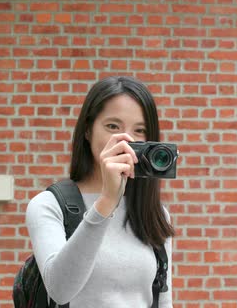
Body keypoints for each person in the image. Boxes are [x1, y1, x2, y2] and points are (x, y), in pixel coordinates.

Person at [26, 76, 175, 307]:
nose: (126, 140)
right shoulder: (49, 205)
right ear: (87, 130)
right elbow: (60, 290)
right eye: (112, 126)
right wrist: (106, 202)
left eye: (140, 130)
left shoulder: (155, 213)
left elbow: (163, 302)